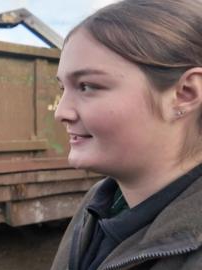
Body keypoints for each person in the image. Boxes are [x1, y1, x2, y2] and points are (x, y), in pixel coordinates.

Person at [51, 0, 202, 269]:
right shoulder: (98, 202)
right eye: (63, 88)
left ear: (185, 94)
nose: (61, 112)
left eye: (86, 86)